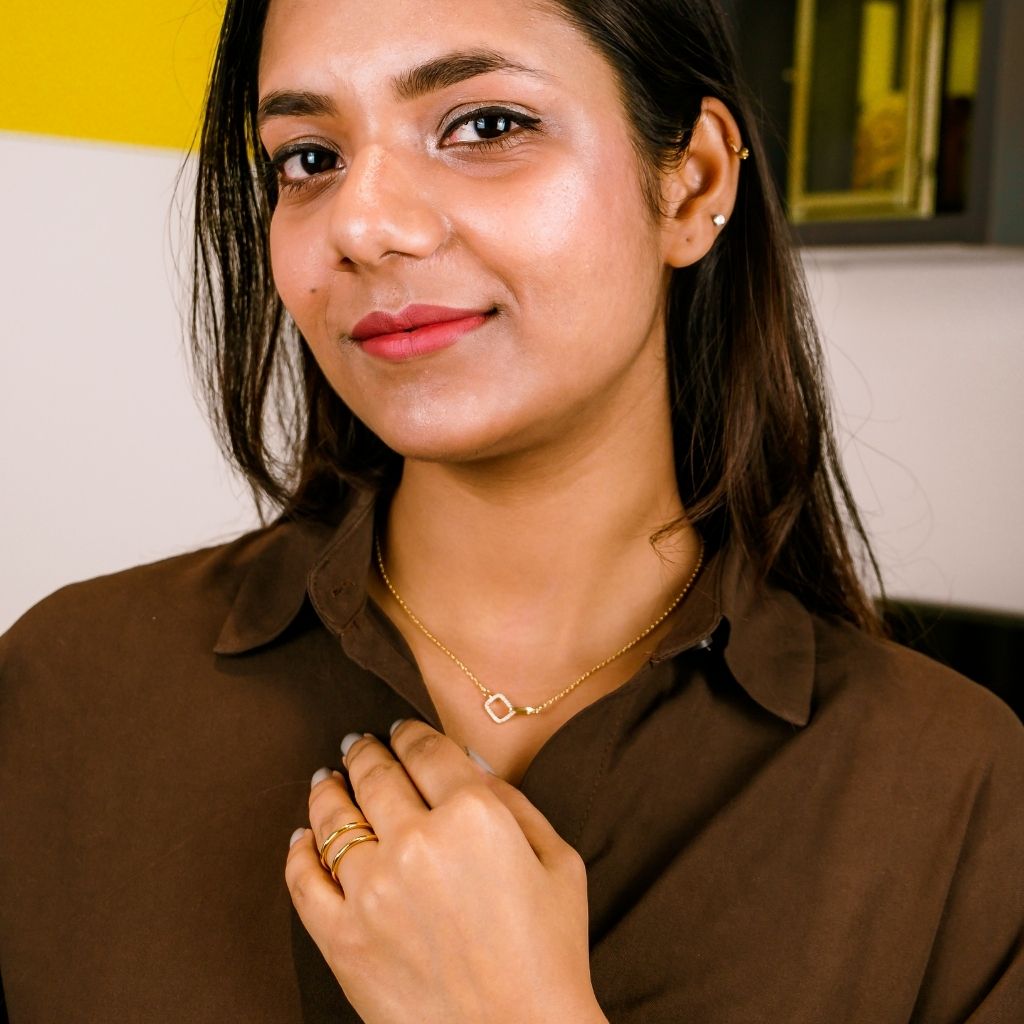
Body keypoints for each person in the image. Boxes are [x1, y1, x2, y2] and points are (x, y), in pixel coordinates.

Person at [1, 0, 1021, 1020]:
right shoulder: (67, 689)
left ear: (693, 181)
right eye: (309, 157)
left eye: (485, 125)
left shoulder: (960, 800)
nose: (362, 224)